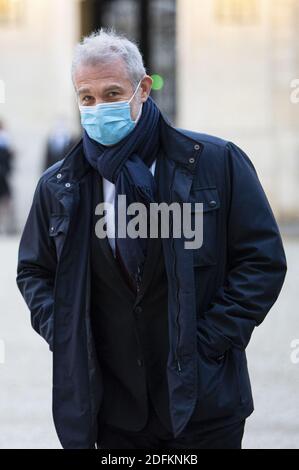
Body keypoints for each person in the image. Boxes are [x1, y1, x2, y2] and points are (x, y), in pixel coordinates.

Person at [16, 29, 287, 449]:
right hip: (108, 410)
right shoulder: (59, 186)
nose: (98, 107)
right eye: (86, 98)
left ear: (143, 89)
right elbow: (34, 270)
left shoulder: (216, 163)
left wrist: (210, 342)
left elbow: (261, 260)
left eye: (111, 93)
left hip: (203, 405)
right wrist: (68, 332)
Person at [0, 120, 15, 235]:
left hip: (3, 175)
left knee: (6, 200)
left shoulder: (5, 139)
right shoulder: (5, 139)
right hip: (3, 174)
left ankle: (5, 226)